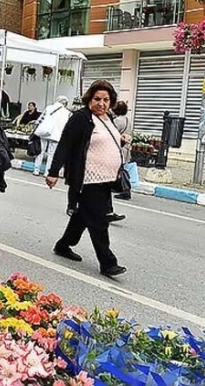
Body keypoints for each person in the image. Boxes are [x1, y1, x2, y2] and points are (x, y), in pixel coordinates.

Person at [46, 80, 127, 277]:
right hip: (88, 178)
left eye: (106, 100)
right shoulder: (81, 118)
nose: (102, 103)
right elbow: (65, 144)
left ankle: (63, 245)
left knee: (83, 215)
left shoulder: (108, 118)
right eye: (97, 99)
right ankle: (108, 263)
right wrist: (53, 171)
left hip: (106, 178)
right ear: (89, 99)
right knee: (99, 221)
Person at [33, 96, 71, 177]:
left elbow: (39, 120)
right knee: (51, 154)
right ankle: (47, 172)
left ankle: (36, 170)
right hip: (56, 136)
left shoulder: (49, 108)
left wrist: (35, 129)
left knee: (41, 151)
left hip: (44, 133)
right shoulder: (68, 113)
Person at [112, 100, 131, 201]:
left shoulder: (117, 121)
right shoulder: (127, 120)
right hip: (126, 148)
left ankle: (125, 189)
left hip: (119, 148)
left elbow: (113, 134)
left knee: (120, 170)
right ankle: (117, 186)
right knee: (120, 168)